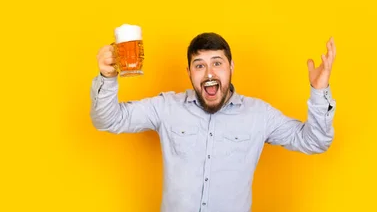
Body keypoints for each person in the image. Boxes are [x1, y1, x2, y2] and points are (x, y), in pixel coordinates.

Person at [90, 32, 337, 212]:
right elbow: (109, 120)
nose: (209, 73)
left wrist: (319, 90)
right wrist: (107, 77)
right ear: (189, 73)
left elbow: (314, 142)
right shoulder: (166, 107)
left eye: (217, 63)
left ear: (231, 67)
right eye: (199, 65)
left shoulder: (260, 115)